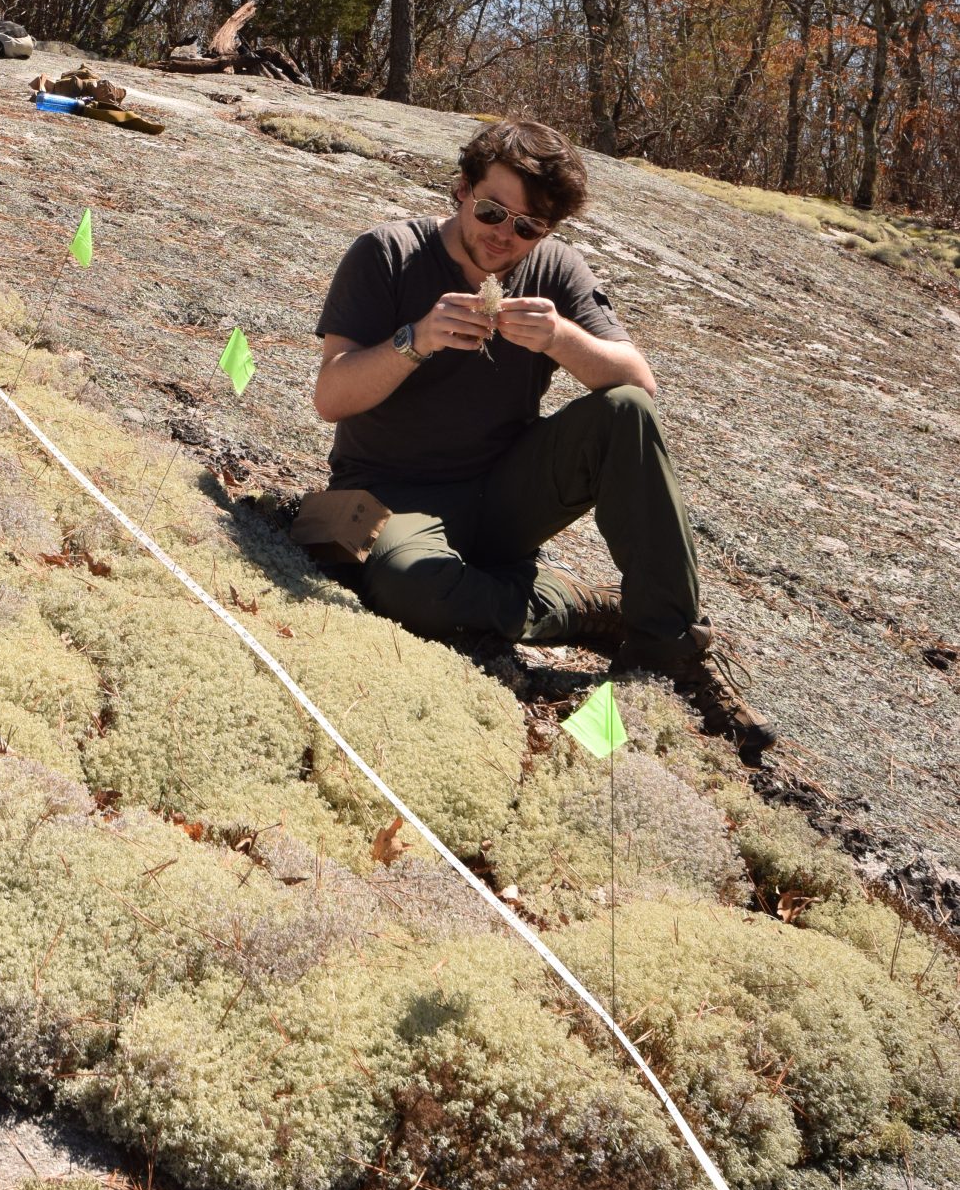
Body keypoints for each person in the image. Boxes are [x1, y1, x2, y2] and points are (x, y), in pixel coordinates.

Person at [312, 115, 773, 758]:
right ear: (463, 189)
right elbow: (330, 396)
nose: (506, 236)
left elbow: (639, 382)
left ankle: (669, 644)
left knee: (625, 413)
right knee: (411, 586)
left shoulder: (553, 269)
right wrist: (414, 341)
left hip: (504, 494)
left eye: (529, 227)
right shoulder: (387, 254)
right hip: (393, 494)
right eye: (494, 211)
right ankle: (582, 608)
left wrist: (561, 338)